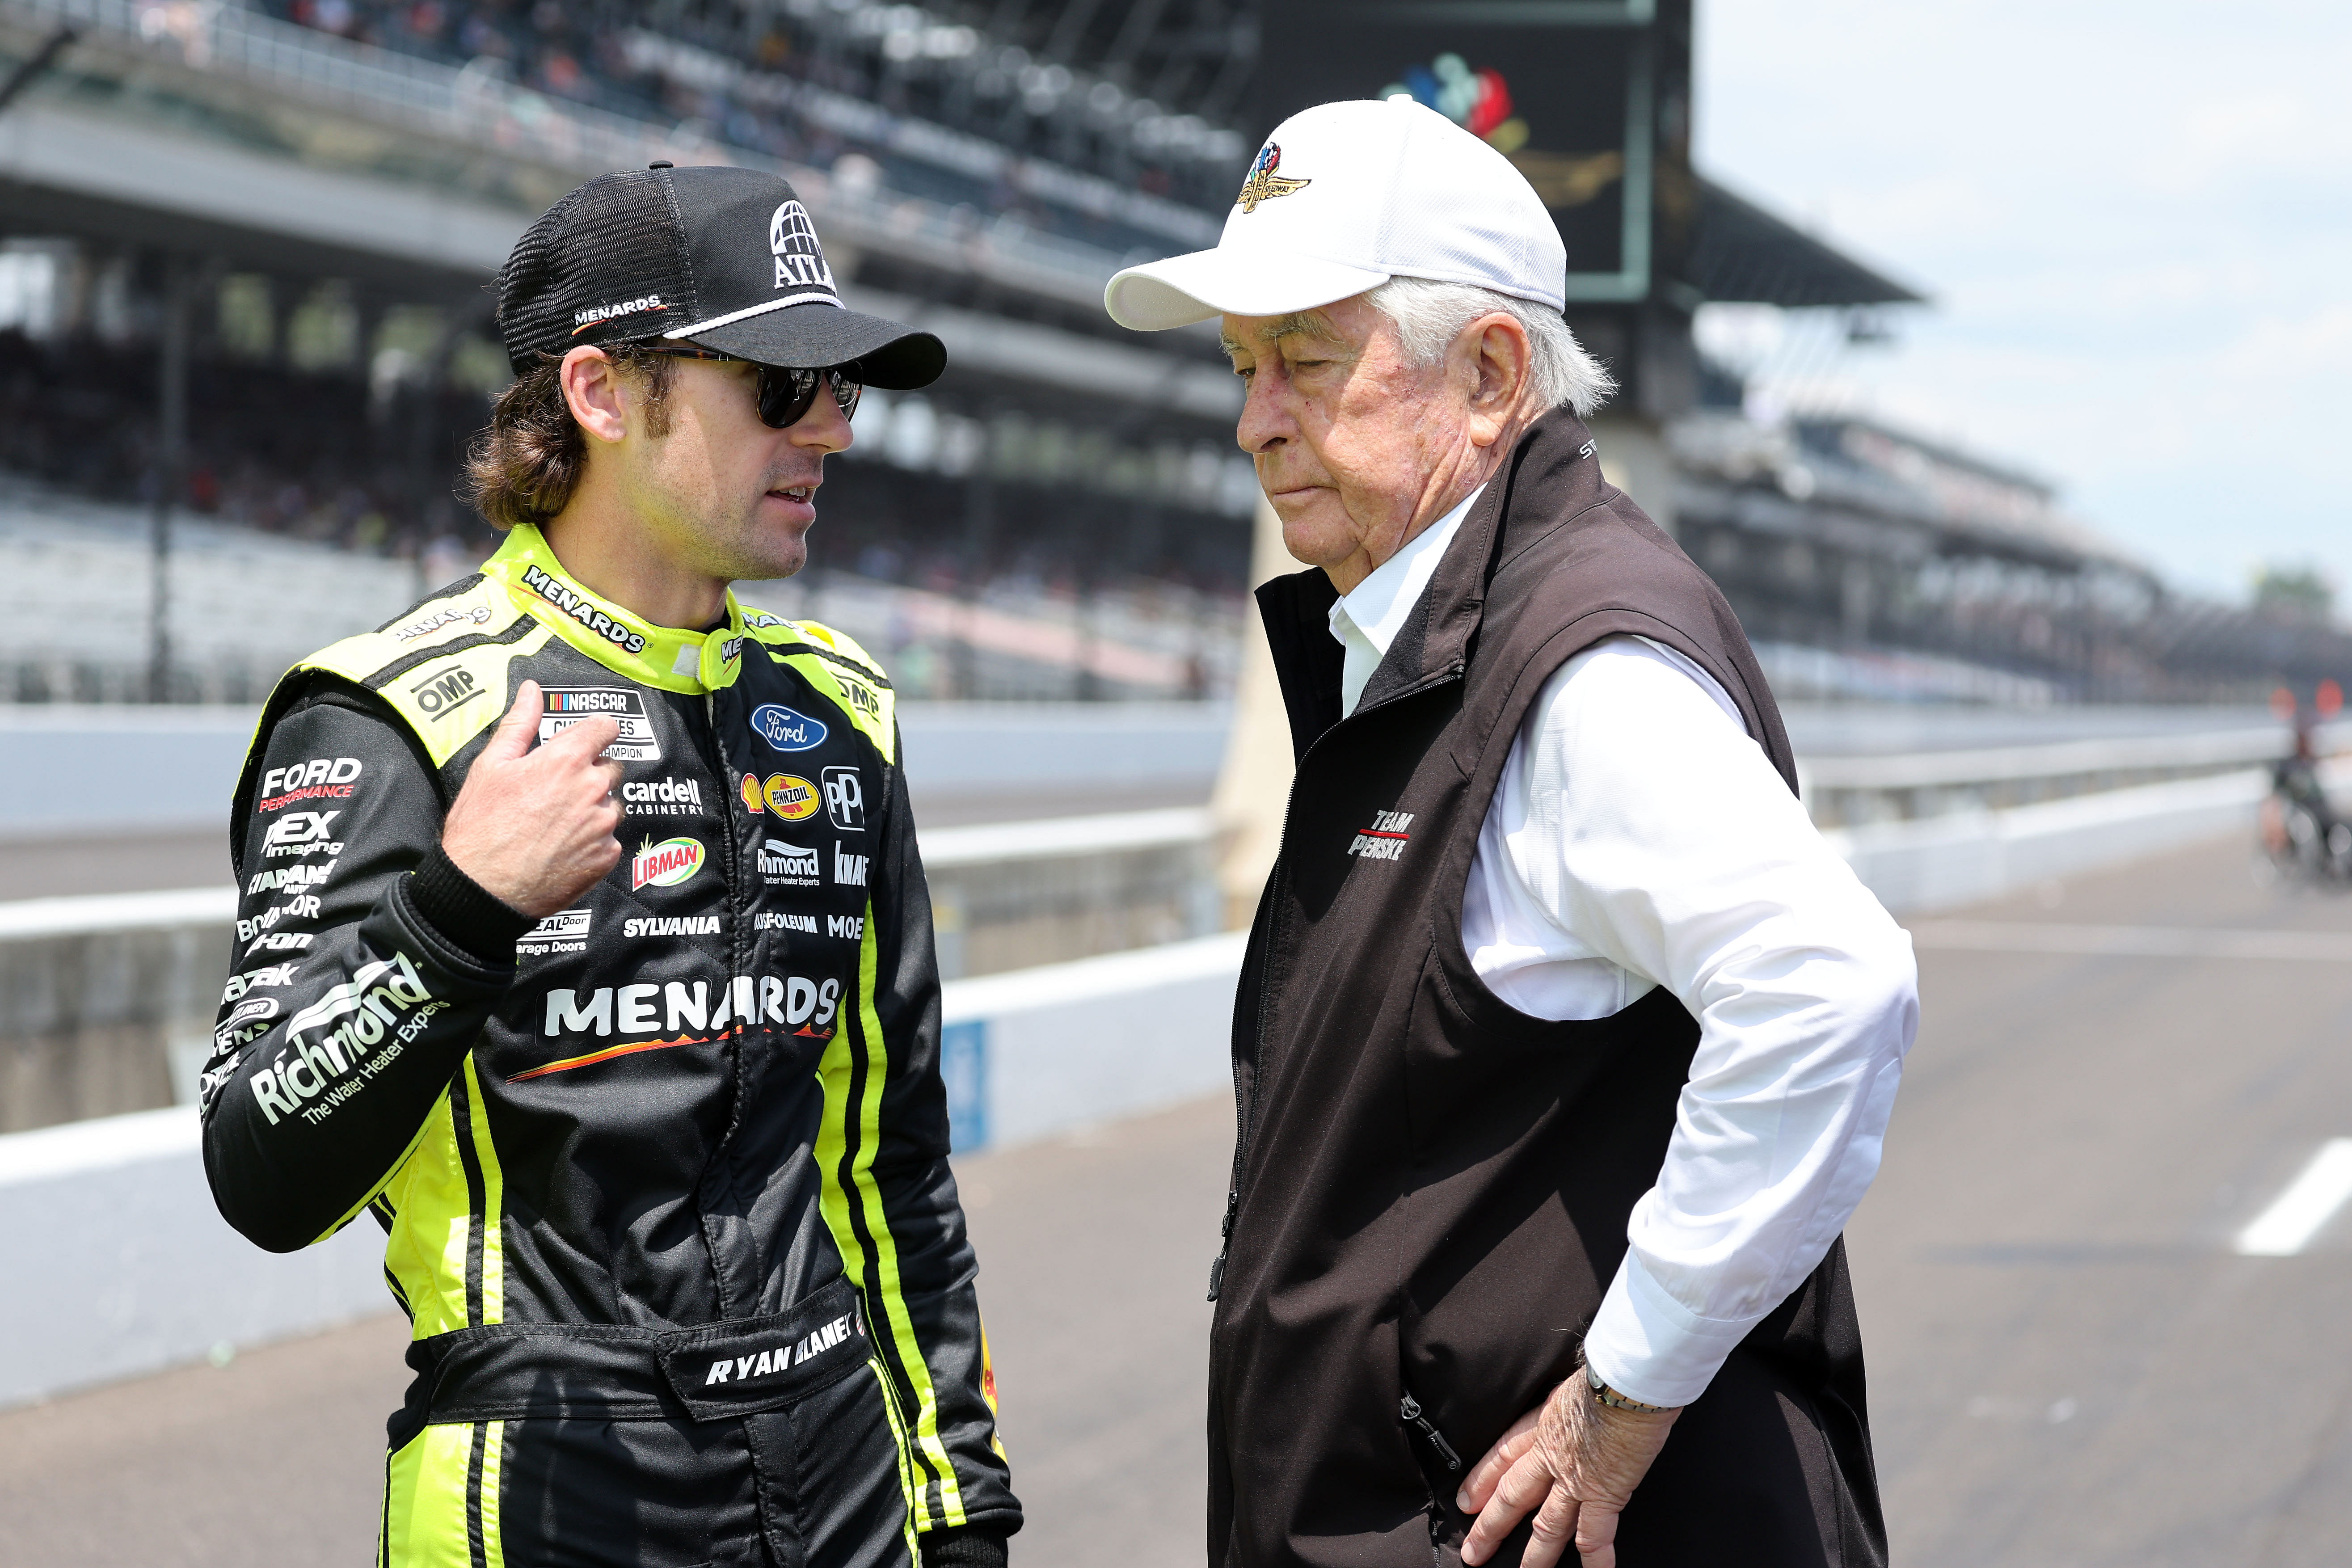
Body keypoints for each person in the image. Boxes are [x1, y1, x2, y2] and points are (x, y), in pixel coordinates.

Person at [1105, 98, 1918, 1568]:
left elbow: (1829, 987)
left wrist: (1619, 1399)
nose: (1254, 419)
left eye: (1302, 359)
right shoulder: (1445, 633)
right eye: (1242, 368)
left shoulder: (1584, 665)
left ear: (1488, 374)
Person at [200, 162, 1020, 1568]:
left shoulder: (842, 708)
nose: (829, 426)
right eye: (778, 383)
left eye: (844, 388)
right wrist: (459, 916)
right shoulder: (397, 710)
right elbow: (261, 1171)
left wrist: (960, 1510)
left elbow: (894, 1172)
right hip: (549, 1470)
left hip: (843, 1470)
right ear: (599, 392)